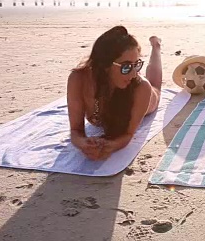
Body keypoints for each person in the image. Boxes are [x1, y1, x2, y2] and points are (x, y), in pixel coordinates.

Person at [67, 26, 162, 161]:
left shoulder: (141, 88)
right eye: (126, 66)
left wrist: (110, 146)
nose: (134, 74)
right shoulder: (78, 79)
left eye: (136, 65)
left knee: (155, 86)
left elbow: (128, 134)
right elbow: (76, 130)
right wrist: (84, 144)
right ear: (105, 65)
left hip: (147, 99)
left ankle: (156, 46)